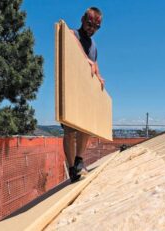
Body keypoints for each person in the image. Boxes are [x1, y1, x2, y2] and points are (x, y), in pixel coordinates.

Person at [63, 7, 104, 182]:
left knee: (85, 128)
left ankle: (79, 160)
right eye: (89, 24)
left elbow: (94, 63)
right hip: (71, 91)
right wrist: (83, 57)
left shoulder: (94, 46)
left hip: (85, 94)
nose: (92, 29)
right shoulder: (73, 35)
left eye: (96, 26)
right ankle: (72, 168)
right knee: (70, 132)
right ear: (82, 19)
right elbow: (70, 36)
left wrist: (99, 77)